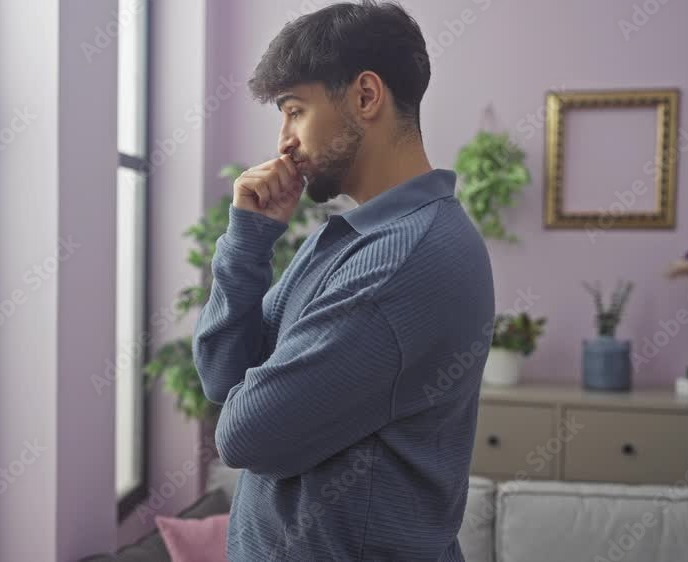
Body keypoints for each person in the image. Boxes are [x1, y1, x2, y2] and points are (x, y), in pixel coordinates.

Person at [192, 1, 495, 560]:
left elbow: (243, 434)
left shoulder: (404, 259)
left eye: (294, 110)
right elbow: (221, 377)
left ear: (365, 96)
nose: (283, 140)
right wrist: (249, 239)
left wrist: (253, 390)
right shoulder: (346, 238)